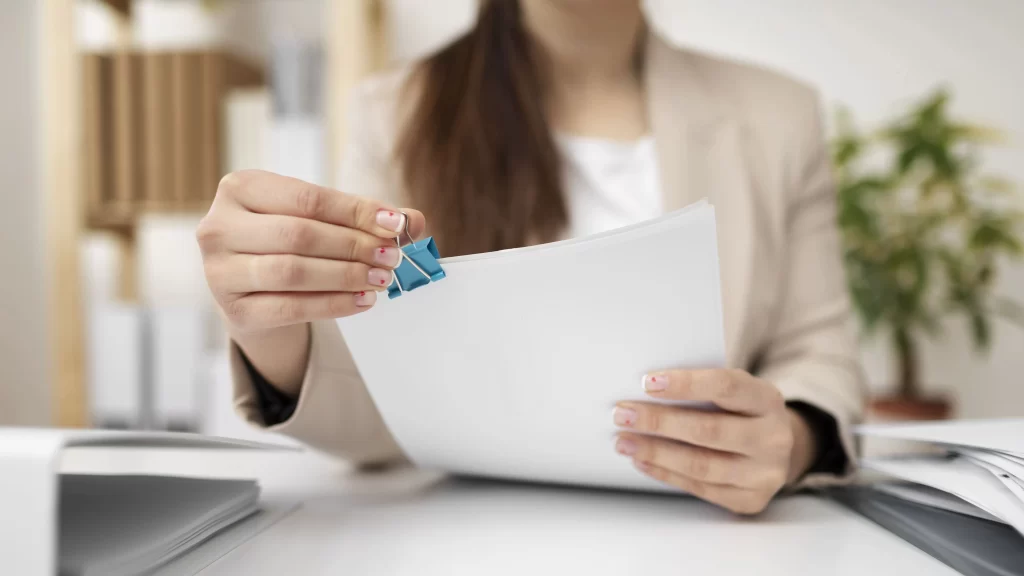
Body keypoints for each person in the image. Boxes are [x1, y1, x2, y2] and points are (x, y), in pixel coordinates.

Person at [197, 0, 866, 515]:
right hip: (465, 538)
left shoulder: (778, 117)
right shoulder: (397, 114)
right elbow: (380, 397)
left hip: (715, 539)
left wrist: (791, 441)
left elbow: (818, 352)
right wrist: (270, 329)